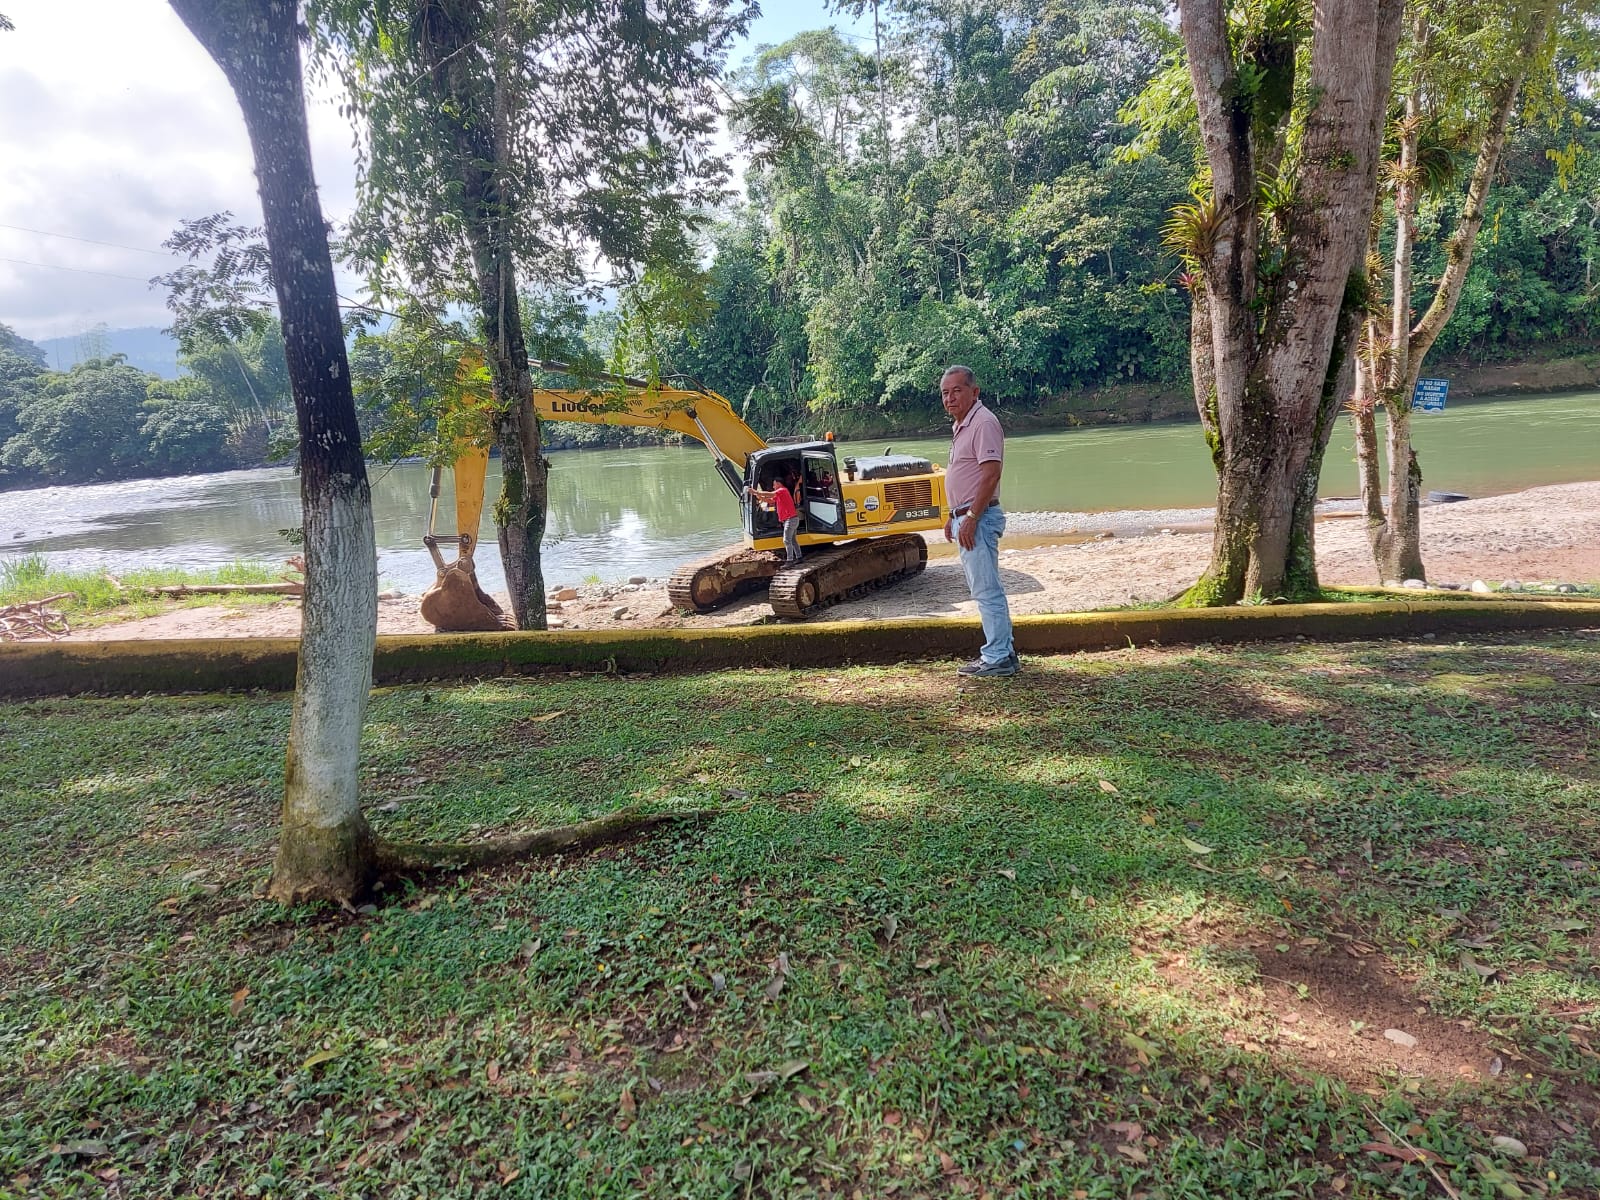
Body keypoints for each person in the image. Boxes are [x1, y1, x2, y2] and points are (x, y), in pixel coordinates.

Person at [940, 365, 1017, 677]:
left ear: (975, 392)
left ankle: (997, 657)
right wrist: (953, 516)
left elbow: (990, 475)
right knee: (984, 587)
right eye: (945, 393)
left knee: (986, 590)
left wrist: (971, 516)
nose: (950, 398)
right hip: (967, 517)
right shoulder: (962, 425)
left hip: (978, 519)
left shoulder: (983, 422)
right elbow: (968, 475)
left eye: (956, 391)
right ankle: (1004, 653)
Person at [747, 467, 804, 564]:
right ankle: (799, 557)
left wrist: (756, 492)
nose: (773, 487)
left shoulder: (782, 490)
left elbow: (770, 494)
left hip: (790, 520)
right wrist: (759, 496)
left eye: (774, 484)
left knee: (786, 540)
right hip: (791, 520)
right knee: (793, 540)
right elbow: (770, 500)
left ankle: (790, 560)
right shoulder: (780, 494)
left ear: (778, 483)